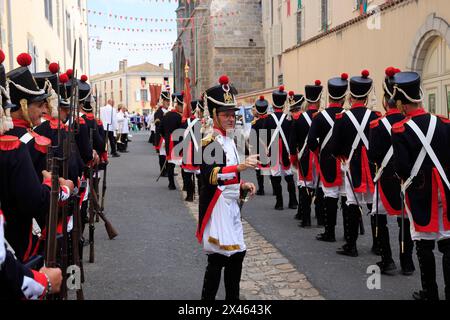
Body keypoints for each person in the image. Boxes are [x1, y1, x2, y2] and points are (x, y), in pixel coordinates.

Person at [197, 75, 258, 301]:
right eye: (226, 115)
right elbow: (210, 176)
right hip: (218, 205)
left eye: (233, 115)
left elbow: (228, 175)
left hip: (231, 203)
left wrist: (242, 184)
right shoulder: (208, 141)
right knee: (219, 258)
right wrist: (238, 167)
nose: (231, 119)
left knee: (237, 256)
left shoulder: (230, 140)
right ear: (214, 115)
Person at [391, 71, 450, 300]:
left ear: (402, 104)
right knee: (447, 240)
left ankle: (430, 292)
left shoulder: (400, 129)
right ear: (419, 96)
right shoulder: (444, 123)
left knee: (424, 242)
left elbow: (402, 168)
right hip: (444, 190)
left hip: (419, 191)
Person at [368, 67, 415, 276]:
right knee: (405, 218)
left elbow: (374, 156)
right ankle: (407, 263)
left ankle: (387, 260)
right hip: (409, 179)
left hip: (386, 178)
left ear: (387, 98)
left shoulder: (377, 125)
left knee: (379, 215)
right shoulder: (411, 123)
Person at [330, 70, 381, 257]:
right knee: (374, 205)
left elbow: (334, 147)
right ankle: (378, 245)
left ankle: (351, 245)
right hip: (373, 167)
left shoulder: (342, 118)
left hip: (352, 165)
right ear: (367, 96)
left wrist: (342, 156)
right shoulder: (376, 116)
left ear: (351, 96)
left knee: (352, 203)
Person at [308, 74, 349, 242]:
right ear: (344, 97)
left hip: (327, 161)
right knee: (347, 198)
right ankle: (348, 235)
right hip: (347, 161)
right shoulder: (349, 115)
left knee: (330, 196)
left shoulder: (319, 117)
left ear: (330, 96)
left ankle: (329, 232)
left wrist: (319, 152)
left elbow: (311, 141)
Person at [289, 83, 323, 228]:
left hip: (304, 157)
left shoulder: (298, 119)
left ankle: (306, 219)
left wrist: (293, 158)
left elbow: (292, 142)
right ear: (319, 100)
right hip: (320, 157)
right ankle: (321, 219)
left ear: (307, 101)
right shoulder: (324, 116)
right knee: (320, 186)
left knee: (304, 186)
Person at [264, 86, 298, 211]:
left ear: (273, 104)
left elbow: (264, 136)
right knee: (289, 175)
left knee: (275, 176)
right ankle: (293, 201)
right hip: (286, 150)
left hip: (273, 150)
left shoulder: (268, 119)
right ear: (284, 104)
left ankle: (279, 203)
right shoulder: (288, 119)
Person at [160, 92, 184, 190]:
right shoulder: (179, 117)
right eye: (181, 106)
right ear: (178, 106)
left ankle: (171, 184)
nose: (182, 108)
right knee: (182, 163)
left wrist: (165, 137)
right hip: (177, 142)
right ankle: (186, 185)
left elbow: (160, 129)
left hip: (168, 142)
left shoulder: (166, 115)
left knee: (170, 163)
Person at [181, 99, 204, 202]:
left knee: (187, 175)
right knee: (200, 176)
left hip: (188, 151)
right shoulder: (203, 123)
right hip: (200, 150)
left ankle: (190, 195)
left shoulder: (186, 121)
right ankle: (201, 194)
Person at [250, 96, 270, 196]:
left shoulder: (255, 123)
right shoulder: (271, 120)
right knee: (271, 170)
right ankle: (275, 189)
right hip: (270, 148)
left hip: (258, 149)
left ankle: (261, 189)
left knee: (259, 170)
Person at [154, 92, 170, 176]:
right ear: (163, 101)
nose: (168, 102)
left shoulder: (169, 112)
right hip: (161, 137)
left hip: (168, 136)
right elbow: (157, 125)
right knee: (162, 154)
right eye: (166, 101)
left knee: (168, 154)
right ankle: (163, 171)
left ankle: (168, 170)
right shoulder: (159, 112)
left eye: (169, 101)